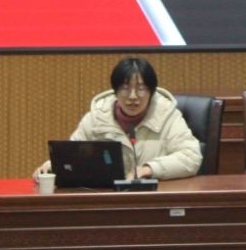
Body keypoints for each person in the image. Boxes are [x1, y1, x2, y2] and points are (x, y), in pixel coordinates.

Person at [35, 56, 202, 181]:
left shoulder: (167, 116)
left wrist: (147, 169)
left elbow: (191, 157)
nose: (133, 96)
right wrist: (52, 167)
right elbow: (72, 154)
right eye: (125, 88)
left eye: (141, 89)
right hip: (107, 202)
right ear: (115, 91)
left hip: (153, 201)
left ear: (151, 92)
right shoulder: (97, 118)